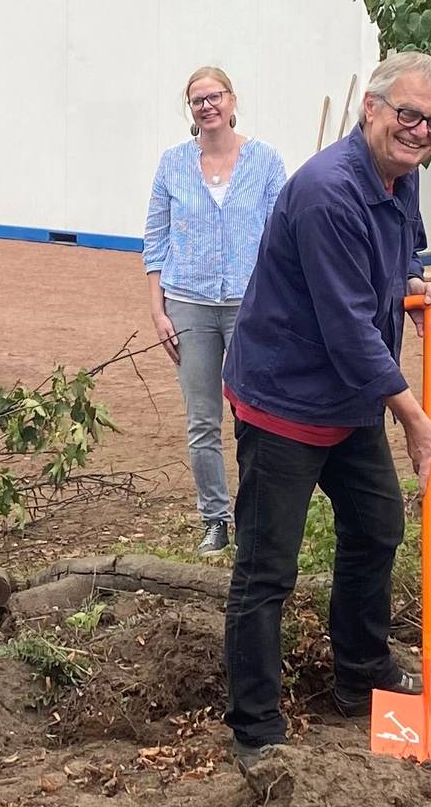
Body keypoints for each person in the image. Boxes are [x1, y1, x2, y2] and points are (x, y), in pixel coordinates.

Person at [219, 51, 431, 768]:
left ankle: (359, 675)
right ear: (371, 109)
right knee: (267, 567)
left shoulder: (400, 175)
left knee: (376, 526)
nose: (420, 131)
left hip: (349, 398)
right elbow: (348, 327)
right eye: (408, 114)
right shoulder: (328, 193)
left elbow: (397, 257)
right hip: (285, 400)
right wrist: (414, 418)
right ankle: (256, 728)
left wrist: (413, 287)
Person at [143, 66, 288, 555]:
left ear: (232, 100)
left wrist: (280, 306)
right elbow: (155, 240)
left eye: (215, 96)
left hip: (251, 305)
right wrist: (159, 311)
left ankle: (256, 518)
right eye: (197, 100)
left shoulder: (265, 161)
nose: (207, 106)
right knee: (202, 419)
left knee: (255, 415)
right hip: (189, 304)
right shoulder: (172, 164)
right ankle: (214, 518)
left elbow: (281, 237)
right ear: (190, 109)